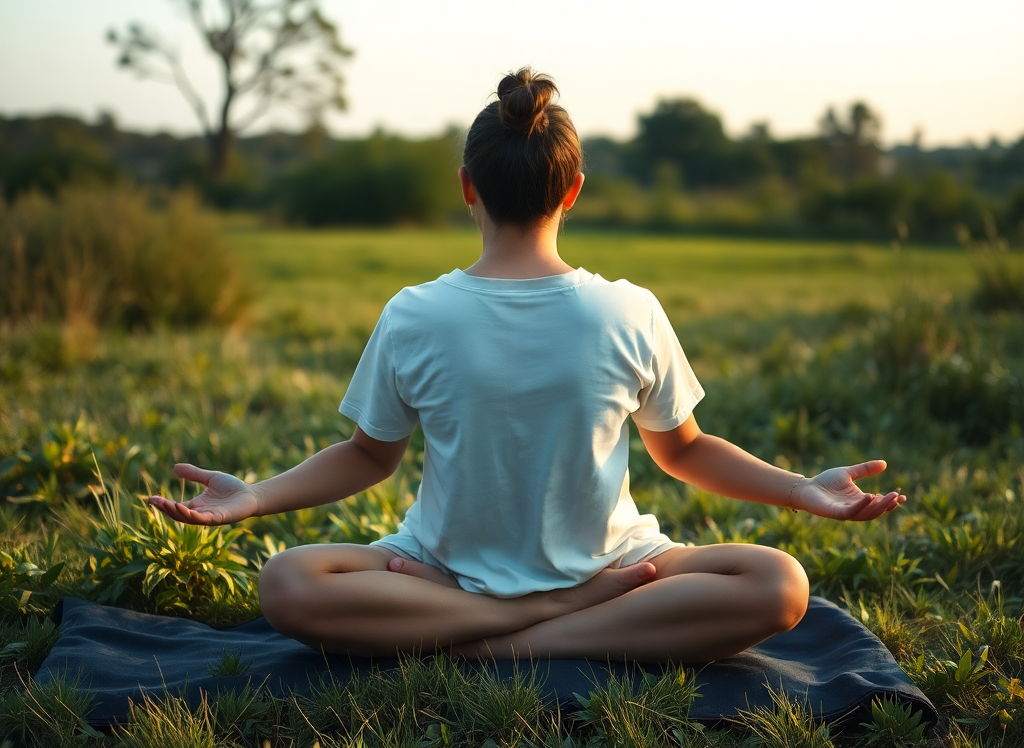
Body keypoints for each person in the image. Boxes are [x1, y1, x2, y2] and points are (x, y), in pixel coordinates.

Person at [149, 69, 905, 664]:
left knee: (284, 583)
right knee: (782, 586)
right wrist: (799, 489)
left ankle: (497, 641)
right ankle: (559, 620)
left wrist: (254, 499)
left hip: (452, 587)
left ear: (467, 188)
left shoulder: (412, 311)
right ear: (572, 191)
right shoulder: (629, 308)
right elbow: (687, 451)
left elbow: (366, 459)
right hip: (568, 581)